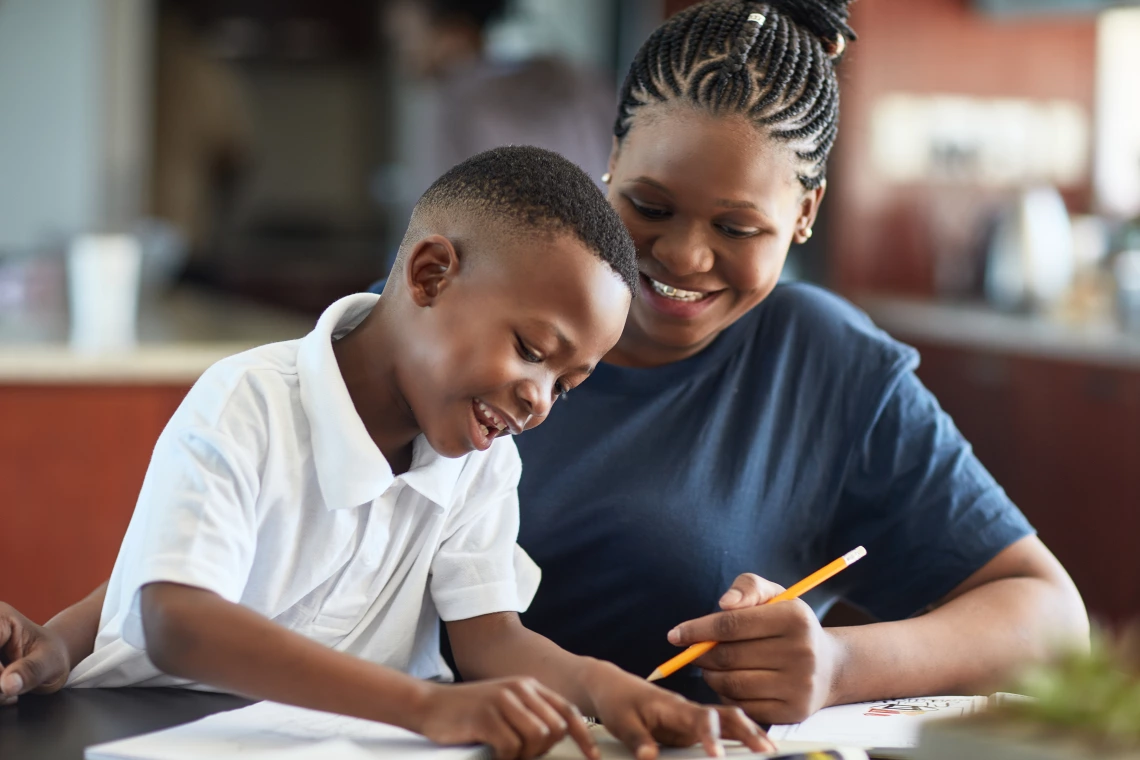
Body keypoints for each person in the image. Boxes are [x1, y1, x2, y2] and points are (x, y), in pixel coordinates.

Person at [1, 0, 1089, 731]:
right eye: (649, 205)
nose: (683, 257)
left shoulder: (823, 369)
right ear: (606, 154)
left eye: (739, 226)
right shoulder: (445, 339)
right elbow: (239, 536)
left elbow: (1048, 615)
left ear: (805, 215)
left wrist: (836, 666)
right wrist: (62, 638)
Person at [0, 146, 768, 760]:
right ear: (431, 275)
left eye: (566, 385)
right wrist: (425, 706)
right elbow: (176, 617)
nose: (539, 401)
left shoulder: (483, 462)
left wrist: (609, 689)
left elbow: (489, 638)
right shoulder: (250, 401)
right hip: (147, 729)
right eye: (533, 350)